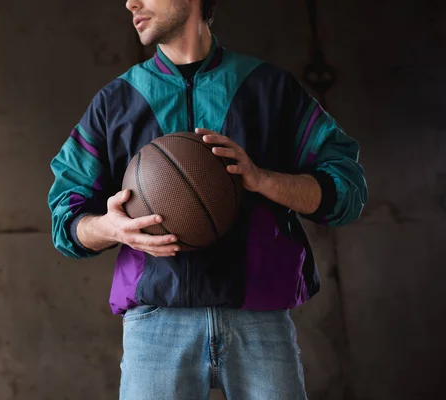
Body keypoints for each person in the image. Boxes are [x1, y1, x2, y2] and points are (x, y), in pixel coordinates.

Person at [48, 0, 368, 398]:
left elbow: (348, 190)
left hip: (259, 321)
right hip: (156, 324)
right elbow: (66, 221)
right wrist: (110, 227)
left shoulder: (268, 88)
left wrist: (262, 179)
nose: (131, 2)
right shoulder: (116, 102)